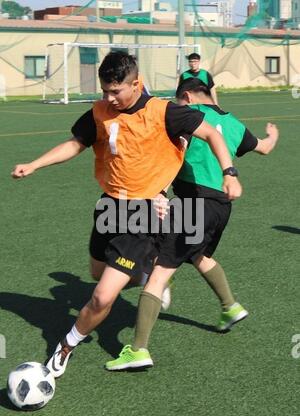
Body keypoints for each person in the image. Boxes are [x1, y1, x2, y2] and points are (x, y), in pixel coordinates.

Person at [12, 53, 241, 378]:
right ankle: (149, 278)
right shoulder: (100, 111)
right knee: (95, 273)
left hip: (143, 215)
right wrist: (35, 164)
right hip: (109, 207)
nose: (109, 98)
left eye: (115, 91)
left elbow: (213, 135)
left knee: (102, 296)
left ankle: (64, 349)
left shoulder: (165, 112)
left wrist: (229, 172)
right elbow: (77, 143)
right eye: (105, 91)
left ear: (136, 83)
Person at [105, 77, 279, 371]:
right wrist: (272, 135)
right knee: (199, 255)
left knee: (159, 272)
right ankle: (230, 307)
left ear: (186, 96)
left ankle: (138, 349)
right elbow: (264, 148)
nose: (178, 107)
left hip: (192, 201)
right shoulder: (233, 122)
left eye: (179, 102)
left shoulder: (186, 117)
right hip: (221, 206)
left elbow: (162, 151)